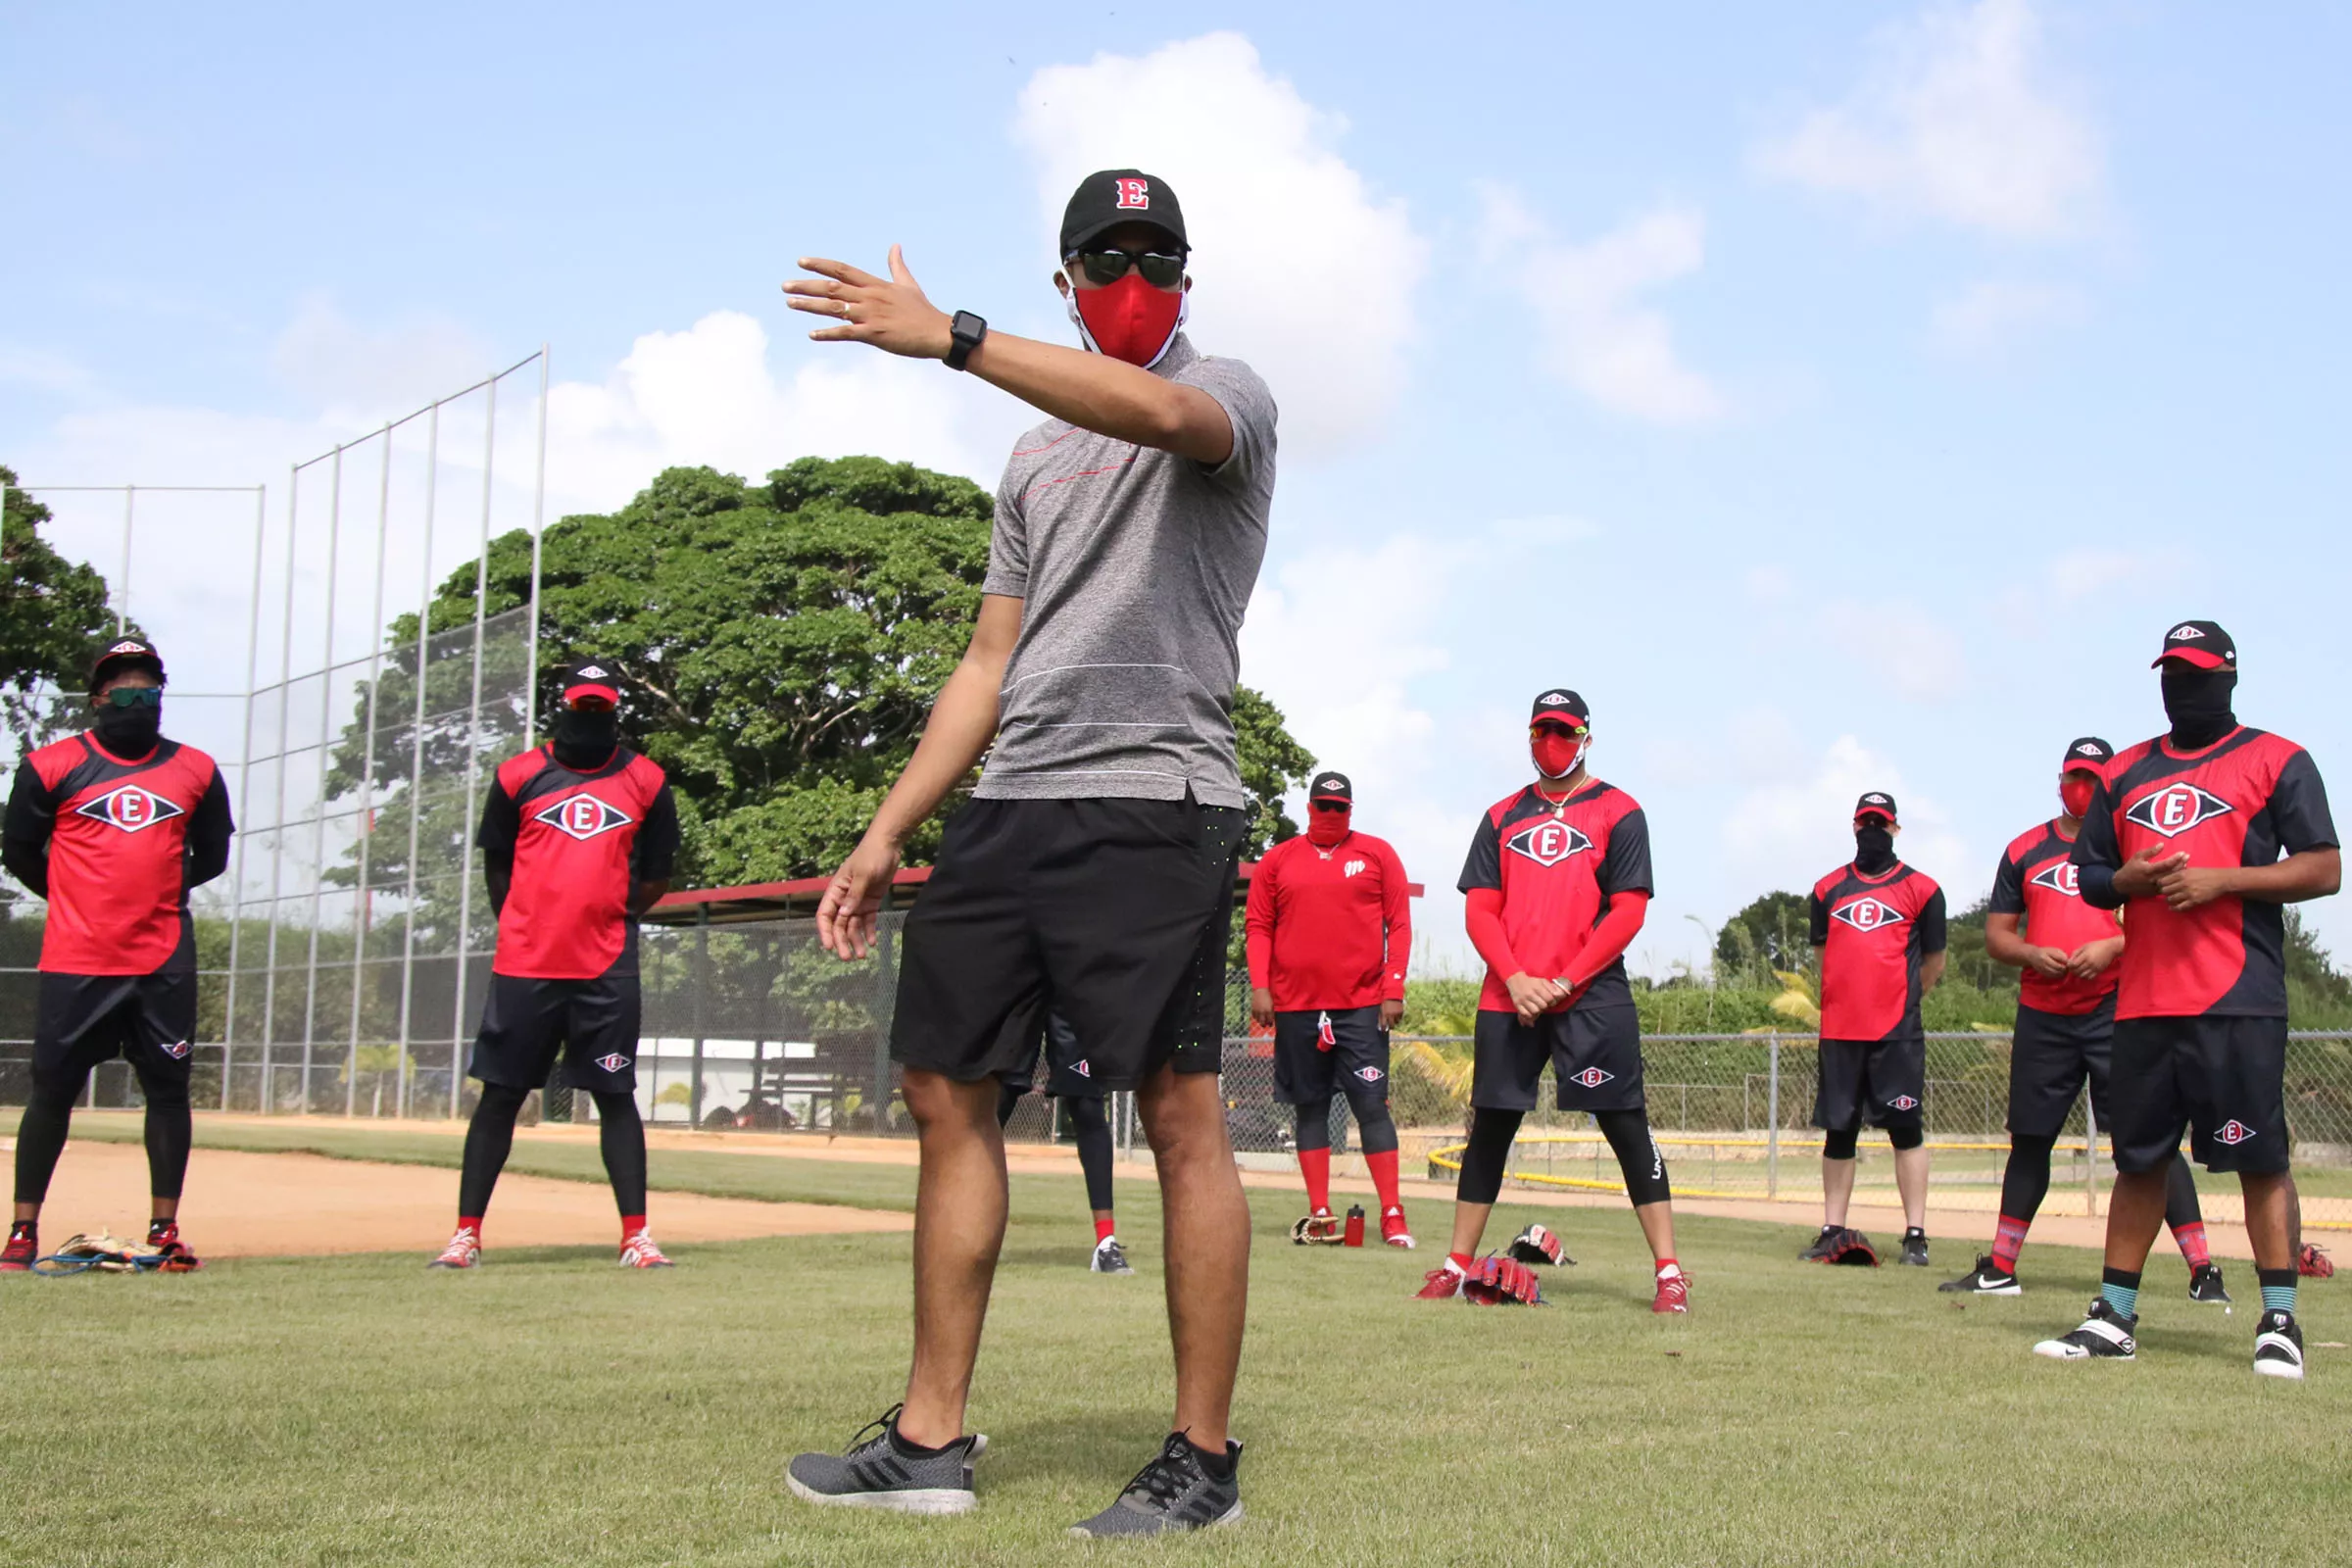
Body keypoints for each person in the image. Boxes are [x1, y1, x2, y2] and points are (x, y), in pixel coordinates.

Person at [782, 169, 1274, 1535]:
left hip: (1154, 800)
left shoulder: (1228, 391)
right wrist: (886, 833)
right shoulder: (1030, 457)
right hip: (1012, 805)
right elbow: (989, 658)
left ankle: (1202, 1460)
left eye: (1156, 255)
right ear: (1068, 279)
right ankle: (928, 1439)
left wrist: (954, 338)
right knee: (947, 1091)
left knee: (1178, 1115)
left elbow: (1165, 412)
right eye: (1108, 257)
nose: (1135, 275)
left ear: (1186, 273)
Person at [2034, 622, 2338, 1377]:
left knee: (2260, 1160)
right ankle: (2115, 1315)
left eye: (2197, 673)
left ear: (2228, 678)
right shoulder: (2126, 772)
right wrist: (2128, 883)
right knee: (2140, 1163)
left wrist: (2221, 880)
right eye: (2172, 672)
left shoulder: (2277, 759)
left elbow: (2325, 868)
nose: (2184, 686)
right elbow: (2092, 872)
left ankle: (2280, 1322)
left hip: (2237, 997)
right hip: (2142, 1002)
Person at [1415, 690, 1688, 1313]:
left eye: (1562, 732)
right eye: (1540, 731)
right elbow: (1480, 908)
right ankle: (1456, 1266)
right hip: (1507, 995)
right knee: (1490, 1131)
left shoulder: (1620, 812)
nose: (1550, 742)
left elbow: (1629, 911)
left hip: (1591, 996)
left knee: (1626, 1128)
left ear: (1587, 738)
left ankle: (1669, 1273)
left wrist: (1564, 981)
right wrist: (1514, 978)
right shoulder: (1501, 816)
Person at [1943, 738, 2229, 1302]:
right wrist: (2030, 954)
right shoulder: (2025, 848)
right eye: (2077, 777)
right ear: (2060, 780)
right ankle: (2001, 1267)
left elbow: (2168, 921)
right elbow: (1998, 935)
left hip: (2116, 1012)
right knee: (2030, 1140)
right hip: (2044, 1015)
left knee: (2150, 1143)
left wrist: (2111, 946)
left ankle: (2203, 1271)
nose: (2084, 789)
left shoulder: (2134, 845)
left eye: (2096, 780)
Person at [425, 662, 679, 1271]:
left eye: (599, 709)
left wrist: (609, 918)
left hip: (606, 969)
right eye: (580, 707)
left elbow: (657, 875)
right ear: (560, 708)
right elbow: (497, 867)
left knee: (616, 1094)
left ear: (614, 710)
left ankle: (636, 1238)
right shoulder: (518, 776)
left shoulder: (645, 779)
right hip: (527, 965)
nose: (588, 718)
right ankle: (465, 1236)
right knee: (501, 1096)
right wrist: (529, 921)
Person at [2, 638, 231, 1272]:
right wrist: (71, 894)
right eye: (123, 689)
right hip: (77, 958)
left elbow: (212, 856)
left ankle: (165, 1228)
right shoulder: (51, 765)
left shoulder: (197, 770)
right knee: (52, 1091)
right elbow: (18, 849)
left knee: (168, 1089)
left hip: (162, 961)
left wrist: (159, 893)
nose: (137, 699)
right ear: (98, 698)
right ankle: (22, 1231)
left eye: (148, 689)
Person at [1244, 770, 1416, 1248]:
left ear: (1351, 810)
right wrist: (1261, 986)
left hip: (1361, 1007)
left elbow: (1398, 925)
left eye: (1340, 808)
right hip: (1297, 1007)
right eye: (1324, 806)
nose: (1331, 814)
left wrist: (1393, 987)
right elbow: (1258, 925)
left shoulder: (1377, 854)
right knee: (1310, 1108)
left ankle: (1393, 1213)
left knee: (1371, 1107)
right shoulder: (1278, 861)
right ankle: (1320, 1211)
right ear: (1310, 808)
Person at [1801, 792, 1947, 1268]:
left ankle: (1915, 1235)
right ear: (1853, 826)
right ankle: (1832, 1229)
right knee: (1839, 1133)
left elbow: (1934, 963)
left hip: (1896, 1035)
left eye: (1880, 824)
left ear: (1896, 830)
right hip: (1841, 1032)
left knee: (1906, 1130)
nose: (1872, 831)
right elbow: (1825, 959)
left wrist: (1899, 1002)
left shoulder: (1923, 890)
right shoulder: (1827, 889)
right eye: (1866, 822)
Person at [994, 1009, 1130, 1274]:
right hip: (1019, 982)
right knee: (996, 1105)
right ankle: (971, 1234)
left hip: (1069, 986)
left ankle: (1105, 1243)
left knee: (1087, 1107)